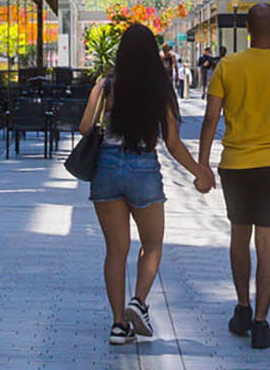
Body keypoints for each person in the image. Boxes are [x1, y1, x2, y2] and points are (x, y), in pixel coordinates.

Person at [78, 23, 214, 347]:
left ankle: (118, 325)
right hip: (143, 168)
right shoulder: (160, 88)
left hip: (106, 168)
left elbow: (84, 128)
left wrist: (103, 107)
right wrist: (199, 173)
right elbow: (173, 142)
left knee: (116, 250)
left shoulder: (106, 85)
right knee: (152, 244)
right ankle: (138, 301)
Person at [199, 3, 270, 352]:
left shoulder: (228, 66)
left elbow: (210, 118)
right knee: (268, 242)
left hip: (236, 165)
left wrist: (202, 164)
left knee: (239, 236)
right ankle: (261, 323)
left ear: (247, 28)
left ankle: (243, 308)